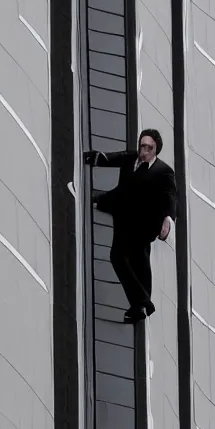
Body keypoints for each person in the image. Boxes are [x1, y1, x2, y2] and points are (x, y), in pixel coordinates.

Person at [84, 129, 177, 322]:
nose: (144, 151)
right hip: (123, 213)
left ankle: (142, 303)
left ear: (156, 149)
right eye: (142, 146)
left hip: (144, 224)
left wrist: (168, 219)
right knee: (138, 261)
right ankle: (141, 305)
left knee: (123, 257)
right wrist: (96, 158)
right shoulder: (131, 159)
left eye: (149, 148)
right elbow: (113, 159)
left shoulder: (163, 171)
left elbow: (170, 197)